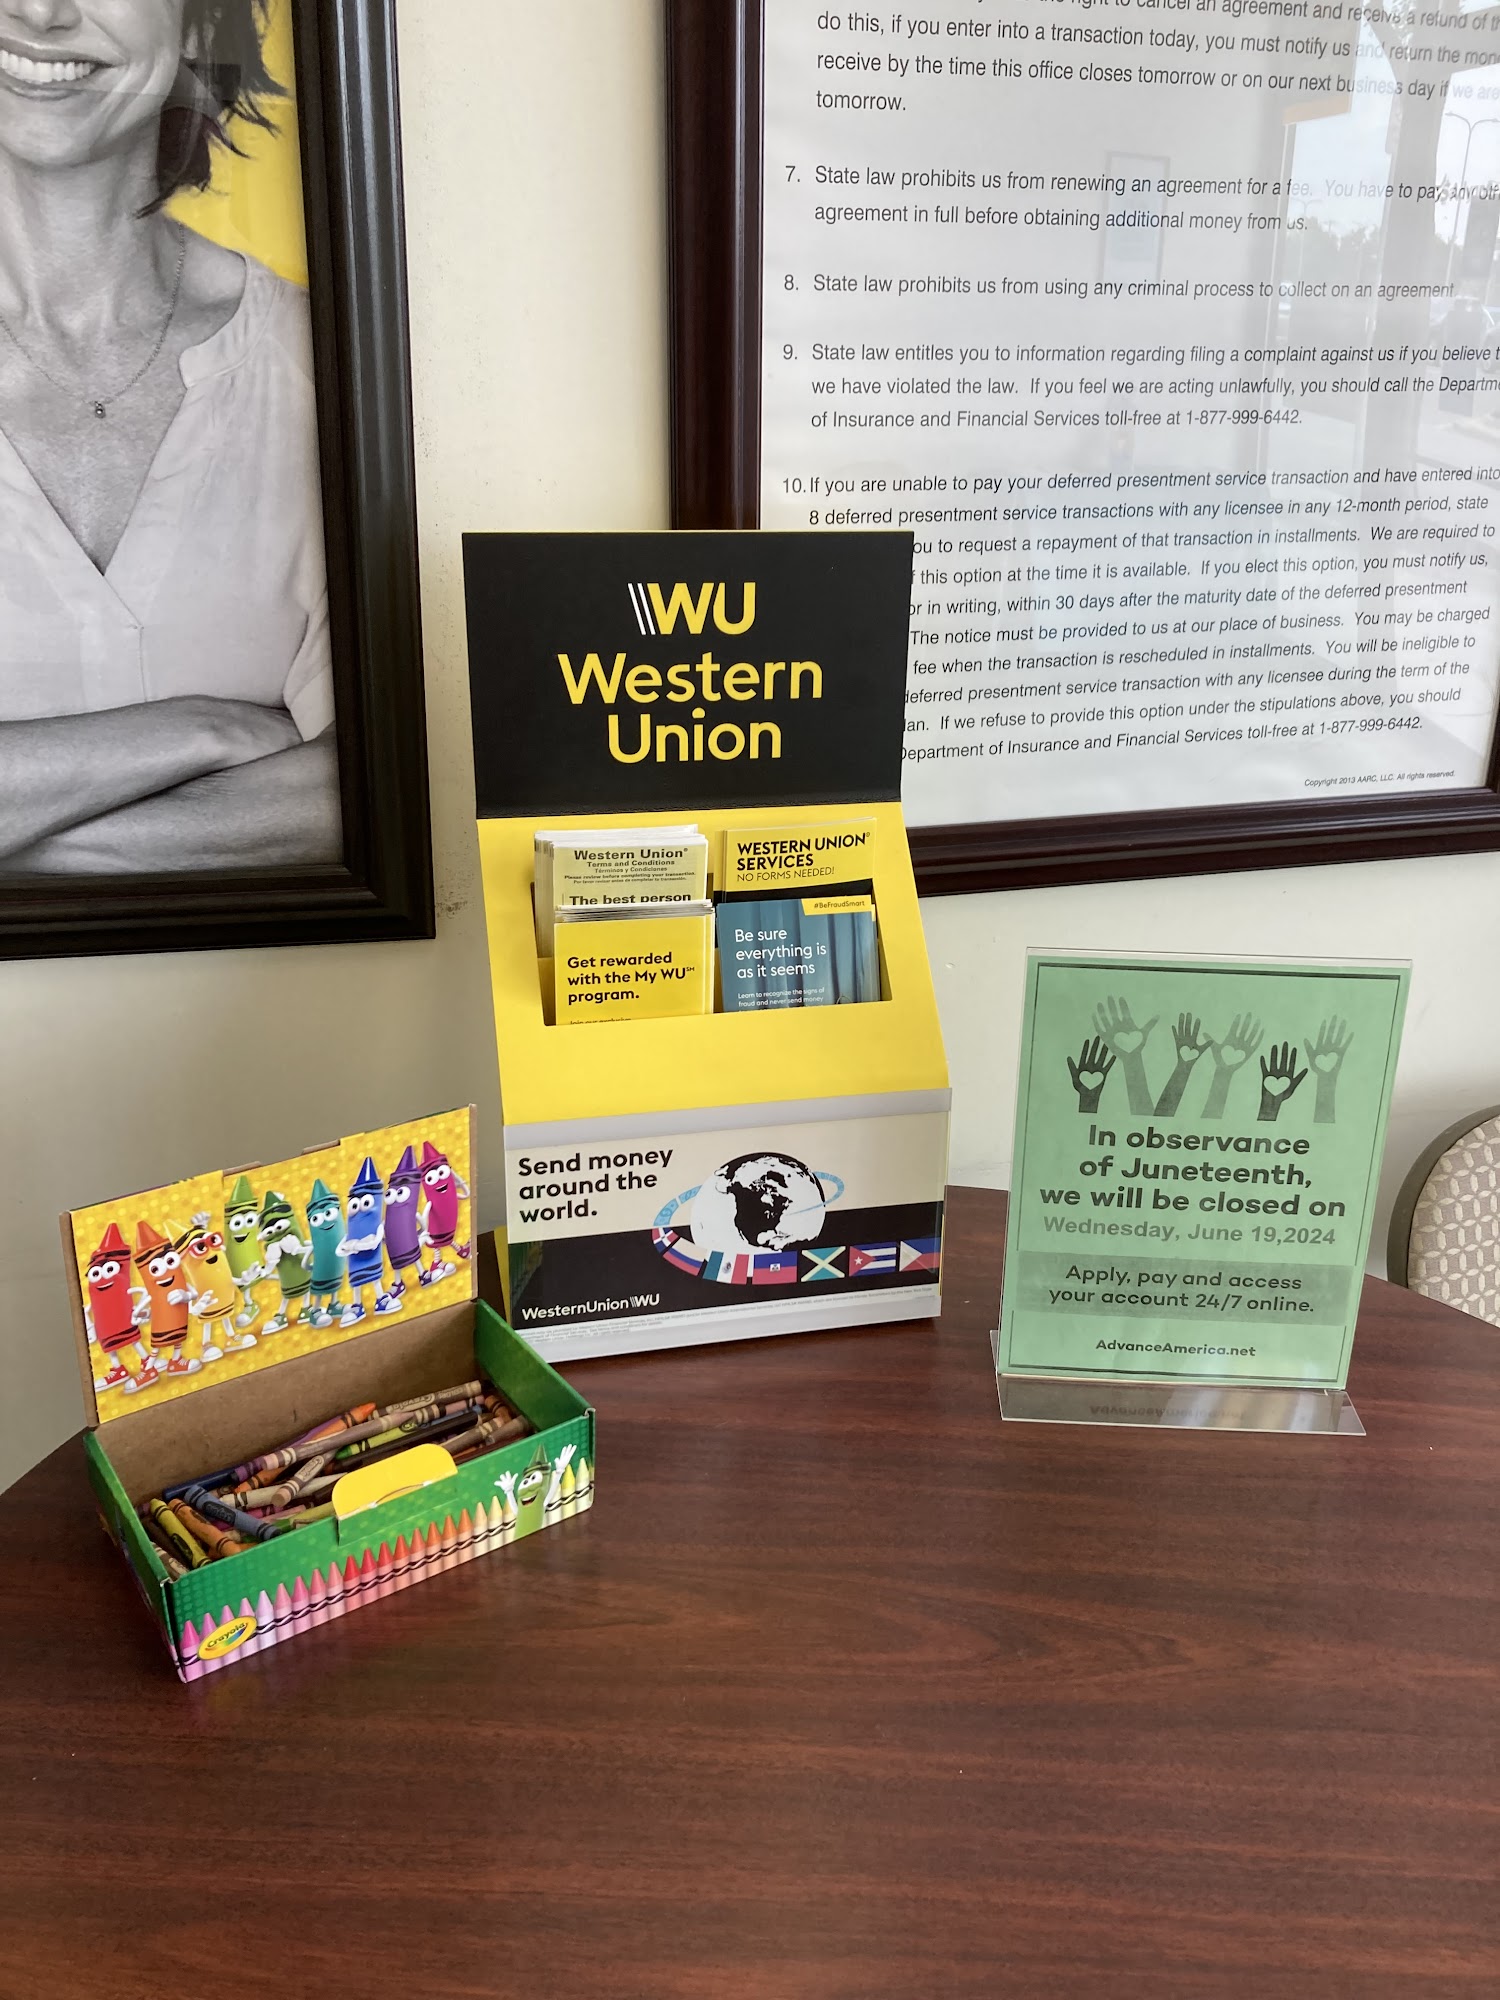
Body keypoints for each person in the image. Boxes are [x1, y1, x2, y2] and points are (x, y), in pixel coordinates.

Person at [0, 0, 339, 874]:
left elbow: (376, 791)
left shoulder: (328, 368)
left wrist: (22, 835)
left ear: (196, 24)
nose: (40, 11)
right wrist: (203, 730)